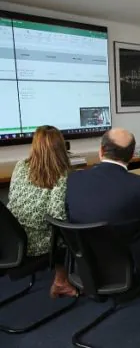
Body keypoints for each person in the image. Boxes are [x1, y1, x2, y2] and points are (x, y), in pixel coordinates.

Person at [66, 128, 140, 289]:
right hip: (132, 268)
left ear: (101, 151)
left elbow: (69, 214)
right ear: (132, 156)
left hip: (86, 264)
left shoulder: (74, 179)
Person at [7, 125, 77, 298]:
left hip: (11, 237)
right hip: (35, 245)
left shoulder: (20, 166)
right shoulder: (61, 175)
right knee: (69, 233)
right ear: (61, 147)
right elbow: (57, 216)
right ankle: (61, 281)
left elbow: (11, 198)